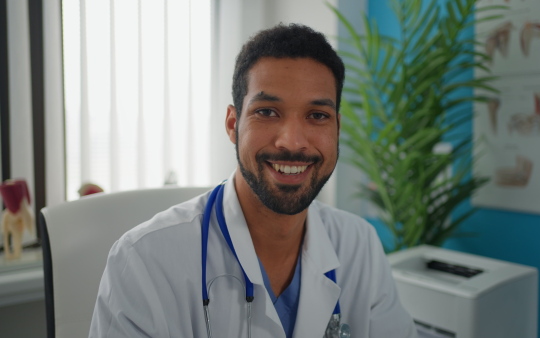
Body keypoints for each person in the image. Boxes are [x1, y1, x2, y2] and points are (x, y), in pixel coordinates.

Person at [89, 23, 417, 338]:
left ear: (337, 128)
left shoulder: (359, 245)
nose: (292, 141)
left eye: (317, 116)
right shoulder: (145, 260)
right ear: (233, 124)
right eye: (267, 112)